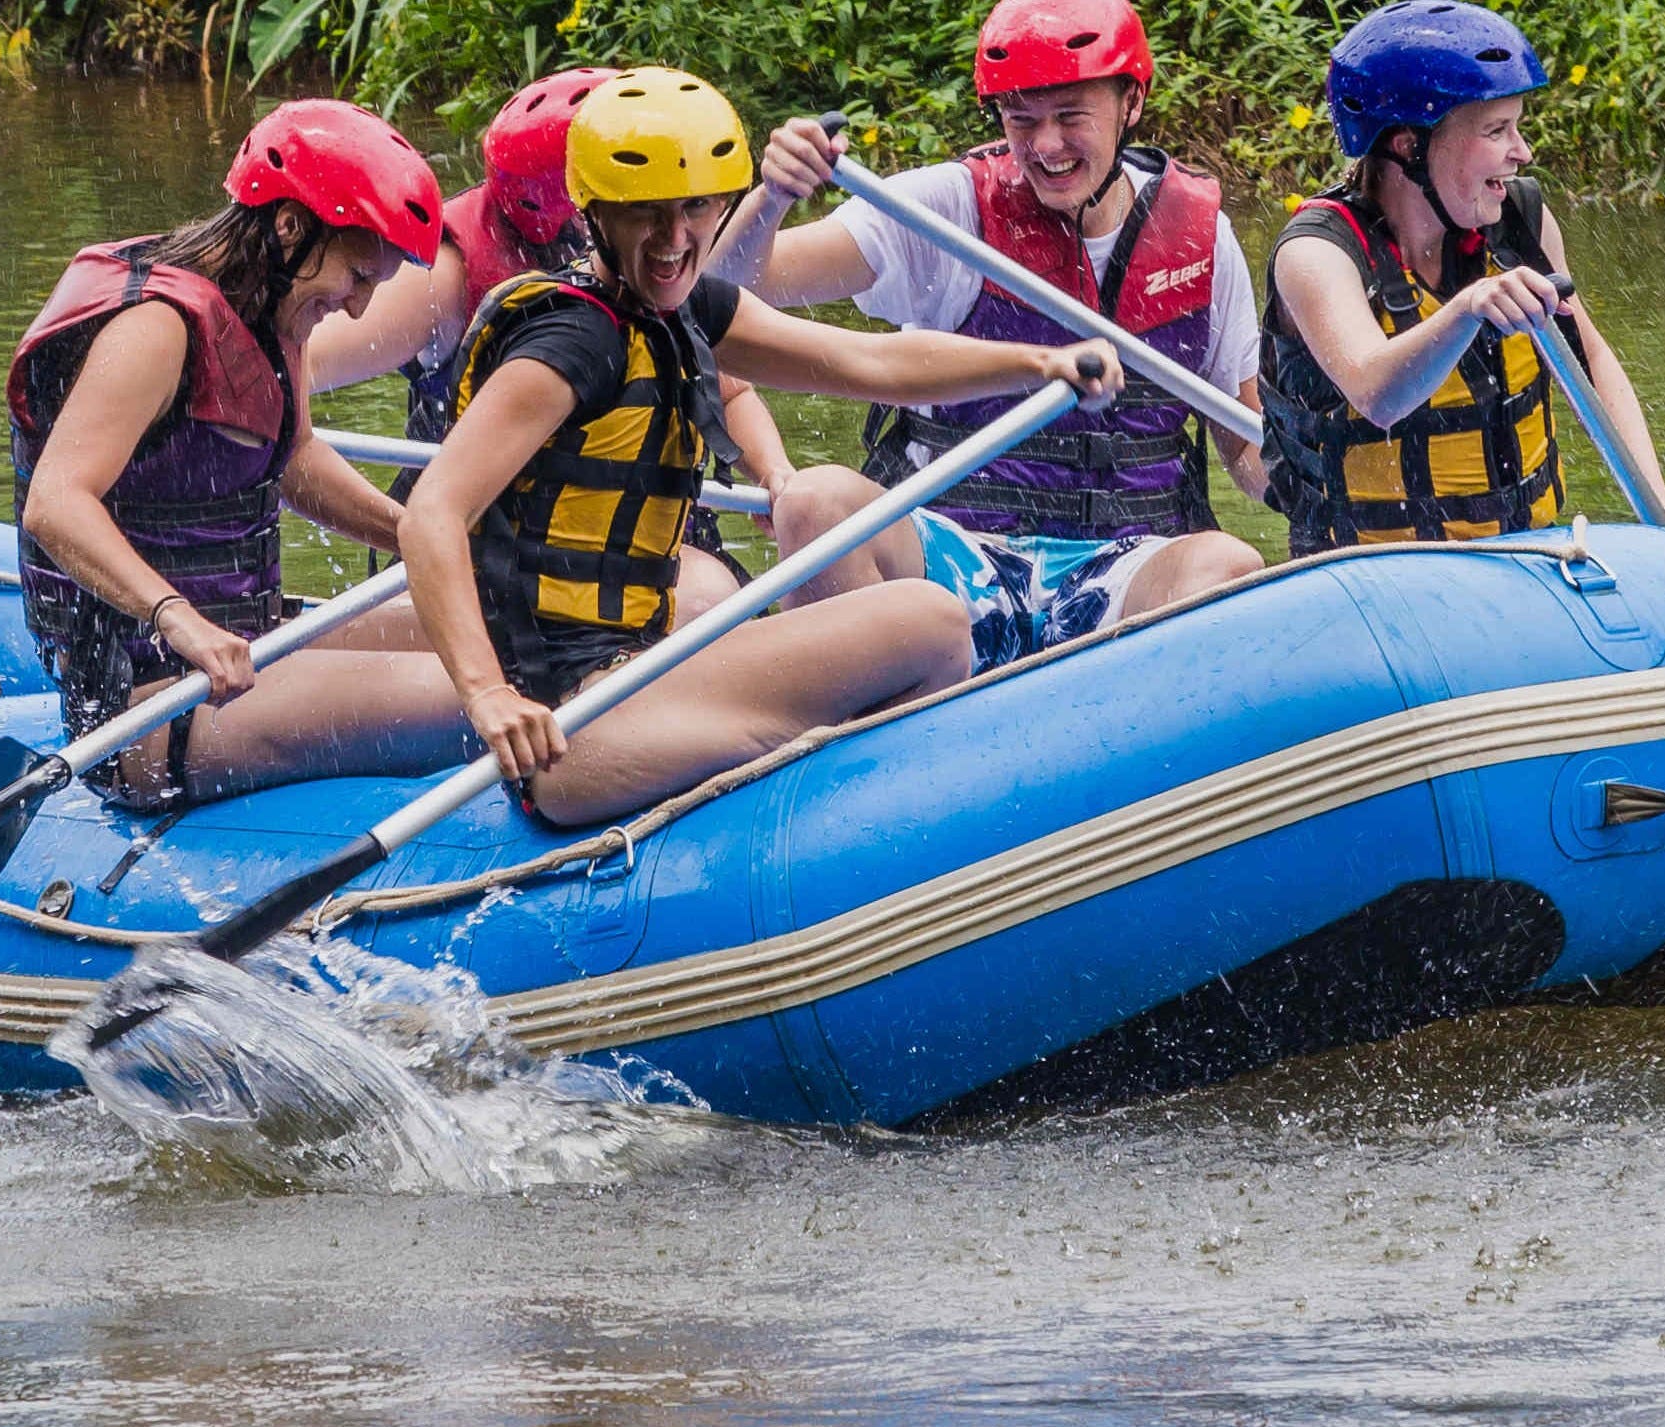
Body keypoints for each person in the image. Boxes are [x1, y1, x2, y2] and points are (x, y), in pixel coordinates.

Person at [409, 69, 1130, 828]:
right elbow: (432, 513)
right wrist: (488, 695)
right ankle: (834, 835)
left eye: (696, 208)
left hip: (636, 674)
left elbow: (870, 363)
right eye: (644, 213)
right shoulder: (571, 342)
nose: (674, 238)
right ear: (594, 213)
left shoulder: (686, 307)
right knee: (927, 622)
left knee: (914, 618)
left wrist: (1038, 363)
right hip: (574, 725)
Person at [717, 0, 1268, 663]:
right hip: (954, 554)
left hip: (1130, 567)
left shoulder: (1202, 236)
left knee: (1229, 564)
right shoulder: (945, 210)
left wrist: (1321, 483)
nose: (1045, 146)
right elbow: (731, 292)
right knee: (812, 503)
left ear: (1131, 103)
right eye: (1021, 120)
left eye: (1070, 117)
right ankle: (867, 729)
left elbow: (1244, 446)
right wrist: (772, 197)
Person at [5, 101, 481, 810]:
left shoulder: (271, 308)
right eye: (356, 276)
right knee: (472, 696)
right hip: (150, 705)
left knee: (510, 631)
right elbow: (56, 501)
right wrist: (178, 616)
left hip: (250, 647)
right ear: (289, 227)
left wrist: (417, 533)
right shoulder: (156, 328)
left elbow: (292, 460)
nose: (357, 308)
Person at [300, 66, 785, 603]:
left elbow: (728, 391)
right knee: (703, 594)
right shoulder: (443, 276)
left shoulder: (659, 275)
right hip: (502, 546)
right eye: (645, 201)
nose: (672, 227)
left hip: (645, 537)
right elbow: (298, 365)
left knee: (708, 588)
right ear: (588, 205)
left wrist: (774, 475)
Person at [1256, 0, 1665, 551]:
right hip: (1366, 573)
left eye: (1518, 127)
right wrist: (1469, 307)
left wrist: (1662, 509)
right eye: (1497, 131)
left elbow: (1593, 363)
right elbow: (1378, 394)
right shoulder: (1318, 255)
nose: (1523, 152)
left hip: (1525, 554)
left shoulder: (1520, 223)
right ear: (1408, 145)